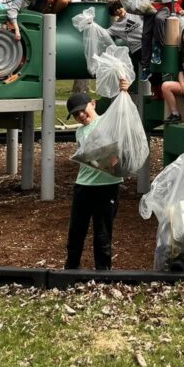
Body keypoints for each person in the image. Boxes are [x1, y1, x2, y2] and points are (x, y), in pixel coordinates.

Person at [64, 77, 131, 270]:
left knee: (102, 233)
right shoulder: (80, 132)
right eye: (76, 115)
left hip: (107, 186)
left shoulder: (107, 122)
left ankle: (103, 272)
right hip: (84, 185)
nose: (81, 115)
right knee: (76, 231)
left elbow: (124, 113)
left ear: (93, 104)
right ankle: (71, 269)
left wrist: (124, 90)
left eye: (83, 110)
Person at [106, 0, 143, 72]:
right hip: (138, 49)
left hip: (149, 42)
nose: (117, 10)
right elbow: (104, 33)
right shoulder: (116, 26)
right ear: (113, 14)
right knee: (149, 70)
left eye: (118, 7)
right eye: (114, 10)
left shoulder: (134, 13)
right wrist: (92, 25)